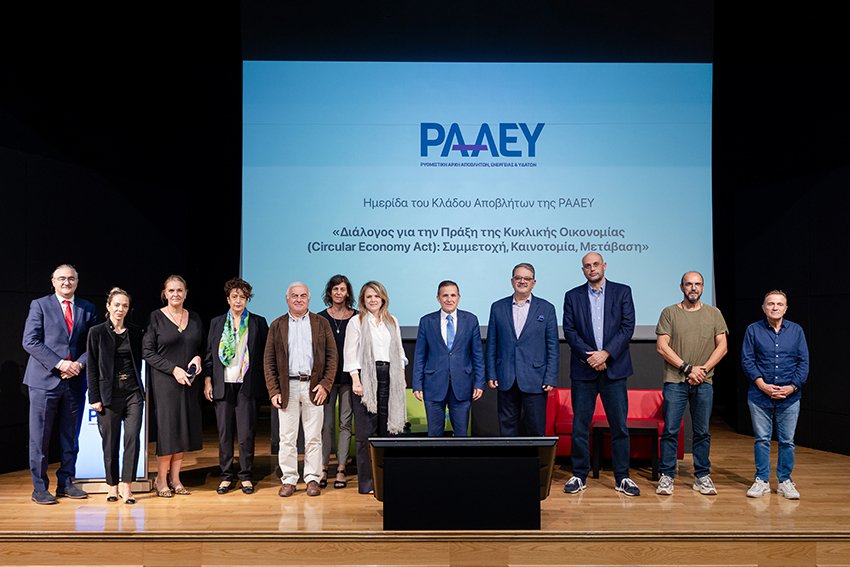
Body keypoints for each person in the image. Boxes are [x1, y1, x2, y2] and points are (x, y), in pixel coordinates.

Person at [562, 253, 639, 496]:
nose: (592, 268)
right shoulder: (572, 296)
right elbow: (570, 331)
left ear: (604, 266)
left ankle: (622, 477)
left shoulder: (622, 291)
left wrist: (605, 354)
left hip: (614, 369)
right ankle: (579, 475)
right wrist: (592, 358)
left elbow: (627, 327)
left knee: (619, 427)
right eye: (587, 266)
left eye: (596, 264)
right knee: (580, 426)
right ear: (583, 270)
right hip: (584, 370)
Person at [23, 264, 98, 504]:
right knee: (40, 438)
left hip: (74, 382)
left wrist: (78, 365)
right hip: (44, 381)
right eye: (62, 278)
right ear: (53, 282)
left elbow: (93, 344)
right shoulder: (39, 305)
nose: (67, 282)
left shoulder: (88, 308)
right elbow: (30, 341)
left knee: (71, 437)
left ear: (77, 282)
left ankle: (66, 482)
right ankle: (39, 488)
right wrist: (60, 364)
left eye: (71, 278)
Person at [655, 271, 728, 496]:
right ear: (682, 287)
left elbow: (723, 347)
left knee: (702, 432)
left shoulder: (714, 313)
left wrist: (702, 371)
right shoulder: (669, 312)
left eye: (697, 284)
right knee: (670, 431)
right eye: (689, 284)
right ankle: (667, 476)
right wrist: (688, 369)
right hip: (675, 382)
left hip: (704, 382)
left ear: (703, 287)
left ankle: (702, 476)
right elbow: (662, 347)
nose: (693, 288)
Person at [264, 282, 336, 497]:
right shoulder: (277, 325)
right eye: (294, 295)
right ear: (287, 299)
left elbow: (332, 357)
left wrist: (325, 384)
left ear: (309, 299)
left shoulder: (321, 323)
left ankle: (312, 479)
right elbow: (269, 361)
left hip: (314, 387)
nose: (298, 299)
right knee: (287, 437)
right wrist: (273, 390)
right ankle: (289, 479)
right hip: (287, 388)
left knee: (314, 437)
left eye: (303, 295)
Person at [204, 278, 269, 495]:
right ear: (228, 299)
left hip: (247, 385)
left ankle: (246, 476)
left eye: (243, 297)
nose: (238, 301)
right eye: (234, 297)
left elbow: (265, 355)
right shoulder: (216, 322)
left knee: (246, 433)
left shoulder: (258, 322)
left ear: (247, 299)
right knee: (224, 433)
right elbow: (209, 355)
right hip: (223, 384)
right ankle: (225, 477)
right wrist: (208, 380)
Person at [741, 290, 809, 500]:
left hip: (790, 397)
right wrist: (762, 385)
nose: (775, 307)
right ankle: (761, 480)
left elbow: (803, 363)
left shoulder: (796, 331)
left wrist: (792, 387)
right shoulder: (753, 330)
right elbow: (747, 360)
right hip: (759, 396)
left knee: (787, 441)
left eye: (779, 304)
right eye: (771, 304)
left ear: (785, 309)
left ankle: (784, 481)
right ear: (764, 308)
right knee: (762, 439)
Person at [143, 275, 205, 498]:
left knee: (182, 430)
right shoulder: (155, 318)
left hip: (189, 382)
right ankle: (161, 478)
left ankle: (176, 478)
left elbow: (202, 346)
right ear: (165, 294)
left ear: (186, 293)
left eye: (180, 290)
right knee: (168, 430)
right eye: (171, 290)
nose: (175, 294)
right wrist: (173, 369)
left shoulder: (194, 317)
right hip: (166, 382)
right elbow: (147, 352)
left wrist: (198, 358)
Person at [343, 281, 407, 494]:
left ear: (383, 299)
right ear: (363, 300)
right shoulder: (356, 321)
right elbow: (350, 353)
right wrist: (356, 380)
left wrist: (402, 378)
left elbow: (399, 352)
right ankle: (368, 483)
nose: (373, 300)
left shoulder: (392, 320)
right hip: (366, 378)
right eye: (369, 296)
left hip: (390, 376)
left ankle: (387, 480)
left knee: (388, 432)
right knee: (365, 434)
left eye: (376, 296)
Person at [485, 263, 559, 437]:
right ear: (512, 281)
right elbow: (492, 344)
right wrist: (491, 373)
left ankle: (535, 458)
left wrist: (550, 377)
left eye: (527, 278)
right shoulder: (497, 307)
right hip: (505, 377)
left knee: (536, 430)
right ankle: (511, 457)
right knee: (507, 431)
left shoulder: (547, 308)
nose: (522, 281)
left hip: (536, 379)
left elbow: (552, 346)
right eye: (518, 277)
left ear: (533, 282)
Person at [86, 287, 144, 504]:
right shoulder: (97, 332)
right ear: (108, 306)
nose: (120, 309)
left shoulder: (135, 331)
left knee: (132, 439)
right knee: (110, 443)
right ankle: (112, 486)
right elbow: (92, 367)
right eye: (117, 305)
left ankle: (127, 487)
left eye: (125, 306)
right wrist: (94, 398)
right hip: (108, 395)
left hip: (133, 393)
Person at [412, 280, 485, 437]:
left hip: (462, 385)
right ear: (438, 298)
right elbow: (419, 355)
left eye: (453, 295)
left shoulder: (471, 320)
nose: (449, 299)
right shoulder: (426, 321)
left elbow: (478, 355)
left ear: (459, 297)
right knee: (434, 435)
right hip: (433, 385)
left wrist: (479, 382)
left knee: (461, 435)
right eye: (445, 295)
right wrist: (417, 384)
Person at [317, 275, 357, 489]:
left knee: (345, 424)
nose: (339, 293)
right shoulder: (320, 318)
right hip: (327, 380)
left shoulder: (357, 317)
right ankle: (323, 467)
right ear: (330, 292)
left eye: (342, 289)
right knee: (326, 425)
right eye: (335, 289)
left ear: (348, 292)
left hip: (350, 378)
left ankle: (341, 468)